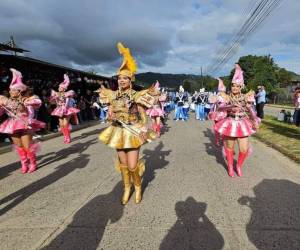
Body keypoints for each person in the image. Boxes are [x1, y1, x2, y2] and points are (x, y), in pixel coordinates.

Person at [98, 42, 156, 205]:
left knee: (132, 166)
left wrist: (143, 127)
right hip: (118, 131)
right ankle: (126, 188)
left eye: (125, 78)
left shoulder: (137, 95)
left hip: (132, 131)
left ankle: (137, 187)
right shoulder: (112, 95)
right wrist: (111, 118)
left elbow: (143, 115)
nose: (121, 80)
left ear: (130, 80)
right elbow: (109, 115)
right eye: (119, 78)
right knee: (123, 165)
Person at [214, 64, 260, 177]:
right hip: (230, 123)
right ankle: (230, 166)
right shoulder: (226, 97)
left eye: (237, 86)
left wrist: (255, 121)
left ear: (241, 87)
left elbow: (251, 111)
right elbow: (220, 108)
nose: (235, 88)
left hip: (242, 123)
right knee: (229, 147)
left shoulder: (247, 97)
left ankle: (238, 166)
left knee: (244, 149)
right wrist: (230, 107)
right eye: (233, 86)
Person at [0, 69, 45, 173]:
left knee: (27, 146)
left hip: (25, 124)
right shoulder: (6, 101)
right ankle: (24, 163)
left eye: (13, 90)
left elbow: (37, 102)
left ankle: (33, 163)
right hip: (12, 125)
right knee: (19, 146)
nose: (10, 92)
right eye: (10, 90)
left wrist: (28, 102)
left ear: (19, 91)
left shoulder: (25, 99)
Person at [50, 74, 80, 143]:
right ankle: (65, 137)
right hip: (59, 109)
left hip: (66, 110)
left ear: (63, 88)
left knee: (65, 124)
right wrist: (54, 99)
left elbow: (67, 102)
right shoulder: (56, 94)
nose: (59, 88)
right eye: (59, 87)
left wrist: (64, 108)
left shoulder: (67, 94)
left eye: (60, 87)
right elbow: (53, 101)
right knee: (61, 125)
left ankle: (68, 137)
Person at [208, 78, 227, 146]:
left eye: (223, 90)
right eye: (222, 90)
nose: (223, 91)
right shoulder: (217, 96)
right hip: (218, 114)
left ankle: (222, 139)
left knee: (223, 127)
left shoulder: (227, 97)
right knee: (218, 127)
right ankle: (217, 140)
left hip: (225, 114)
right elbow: (211, 103)